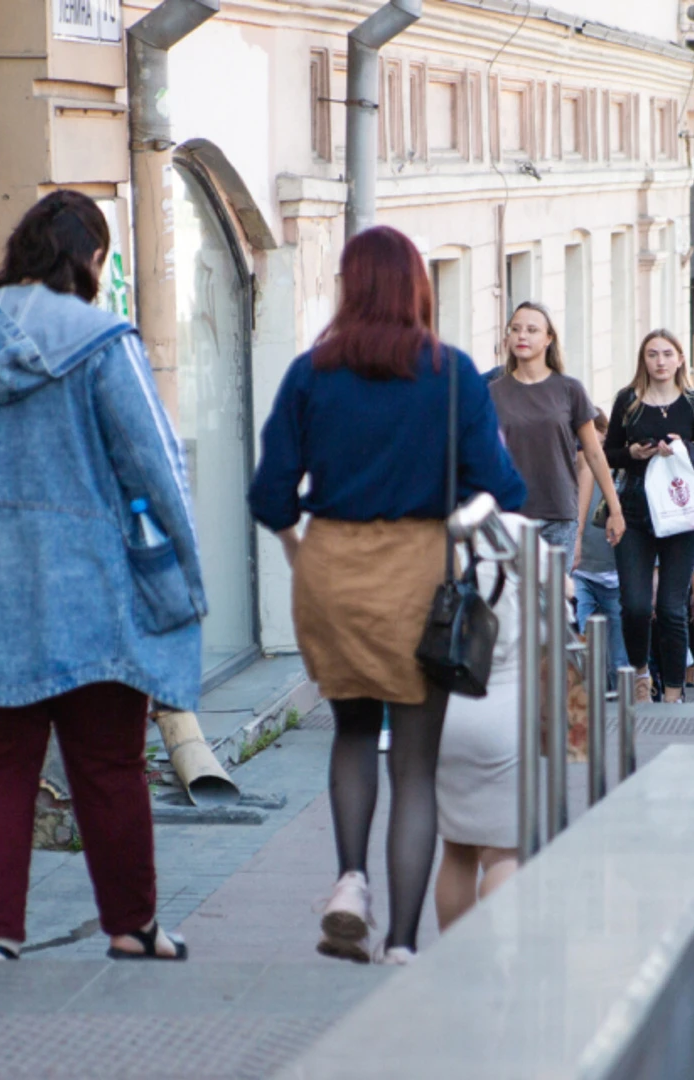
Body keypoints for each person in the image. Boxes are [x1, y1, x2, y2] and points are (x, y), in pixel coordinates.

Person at [0, 190, 205, 963]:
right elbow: (156, 463)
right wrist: (187, 573)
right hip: (92, 593)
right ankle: (132, 928)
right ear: (94, 261)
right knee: (109, 764)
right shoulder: (106, 342)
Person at [249, 225, 526, 964]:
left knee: (348, 734)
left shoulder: (312, 374)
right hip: (417, 571)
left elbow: (269, 494)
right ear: (416, 288)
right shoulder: (453, 373)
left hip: (330, 567)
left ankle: (348, 882)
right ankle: (402, 944)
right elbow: (504, 488)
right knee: (413, 763)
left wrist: (299, 551)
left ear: (350, 285)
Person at [605, 330, 694, 704]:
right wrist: (633, 454)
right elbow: (608, 454)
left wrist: (682, 451)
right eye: (652, 354)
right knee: (635, 605)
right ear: (644, 360)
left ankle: (672, 692)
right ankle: (640, 672)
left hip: (681, 511)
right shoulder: (628, 401)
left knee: (671, 607)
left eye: (667, 354)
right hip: (636, 508)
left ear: (680, 359)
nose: (660, 361)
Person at [433, 532, 524, 930]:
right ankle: (496, 959)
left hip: (444, 707)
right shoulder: (517, 534)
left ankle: (454, 965)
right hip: (504, 710)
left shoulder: (432, 535)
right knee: (505, 855)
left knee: (456, 851)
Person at [493, 301, 624, 554]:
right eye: (515, 329)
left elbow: (594, 454)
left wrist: (615, 510)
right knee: (514, 594)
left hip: (559, 515)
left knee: (552, 594)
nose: (522, 335)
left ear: (548, 338)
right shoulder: (492, 394)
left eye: (532, 330)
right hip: (509, 516)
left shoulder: (569, 390)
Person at [573, 411, 624, 691]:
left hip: (615, 575)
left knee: (618, 660)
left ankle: (621, 721)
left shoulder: (621, 468)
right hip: (581, 572)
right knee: (578, 644)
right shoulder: (572, 467)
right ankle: (583, 705)